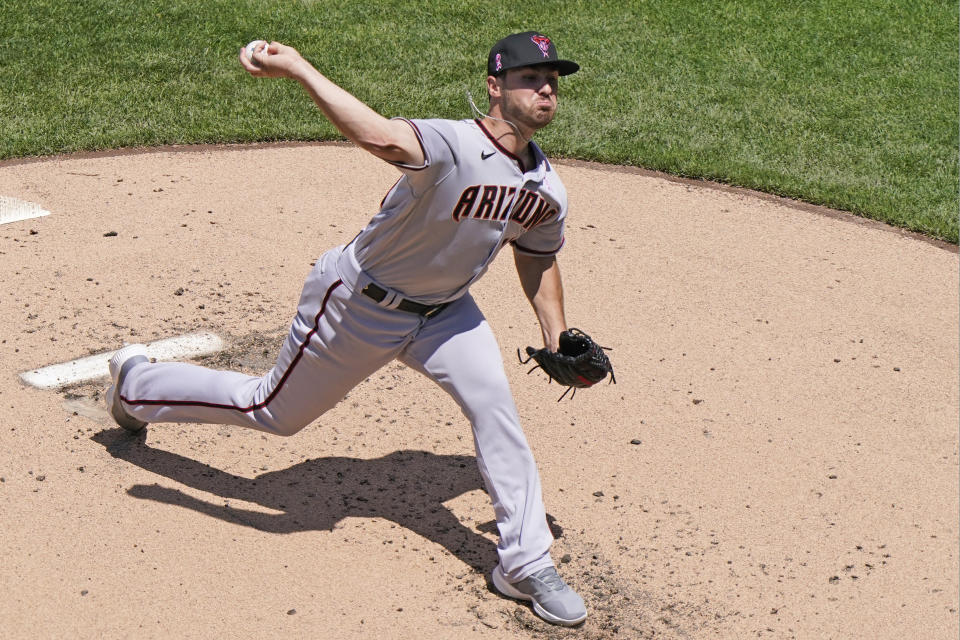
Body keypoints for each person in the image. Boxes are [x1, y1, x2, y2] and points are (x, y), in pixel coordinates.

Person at [106, 31, 587, 626]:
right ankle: (134, 386)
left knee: (496, 413)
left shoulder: (547, 187)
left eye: (552, 81)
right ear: (495, 87)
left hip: (447, 315)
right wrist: (301, 68)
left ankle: (523, 563)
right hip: (359, 305)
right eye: (529, 78)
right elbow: (379, 136)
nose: (545, 89)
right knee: (271, 412)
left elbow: (537, 255)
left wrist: (557, 335)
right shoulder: (453, 143)